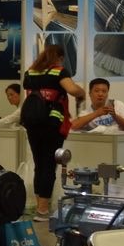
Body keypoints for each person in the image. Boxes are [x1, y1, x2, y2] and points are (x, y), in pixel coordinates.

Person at [22, 43, 85, 220]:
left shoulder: (30, 72)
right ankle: (43, 210)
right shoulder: (59, 71)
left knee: (39, 164)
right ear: (60, 58)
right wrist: (82, 92)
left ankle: (39, 206)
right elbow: (72, 90)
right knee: (49, 165)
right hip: (52, 123)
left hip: (32, 122)